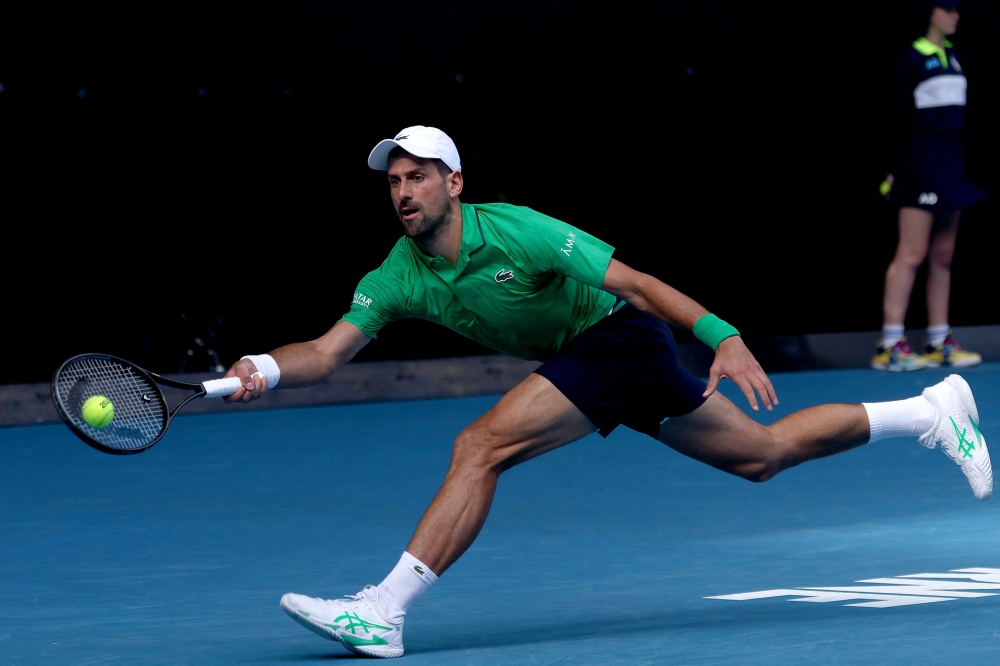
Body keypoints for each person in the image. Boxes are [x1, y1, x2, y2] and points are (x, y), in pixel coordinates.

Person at [224, 126, 991, 658]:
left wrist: (721, 332)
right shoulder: (395, 273)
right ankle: (928, 411)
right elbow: (327, 352)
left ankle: (383, 611)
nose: (403, 191)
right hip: (602, 364)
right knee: (761, 455)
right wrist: (267, 365)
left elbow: (636, 282)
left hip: (615, 338)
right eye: (394, 181)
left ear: (454, 183)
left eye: (418, 175)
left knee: (479, 447)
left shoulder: (516, 229)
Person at [873, 0, 985, 371]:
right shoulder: (912, 60)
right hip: (918, 165)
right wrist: (891, 170)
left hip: (951, 165)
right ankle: (890, 345)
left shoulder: (954, 57)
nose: (956, 15)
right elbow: (893, 117)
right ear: (932, 13)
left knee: (943, 255)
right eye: (949, 8)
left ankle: (939, 340)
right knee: (912, 252)